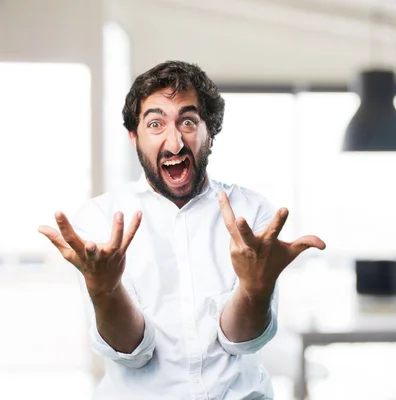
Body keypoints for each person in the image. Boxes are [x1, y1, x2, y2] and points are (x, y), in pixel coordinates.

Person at [38, 60, 326, 400]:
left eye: (188, 121)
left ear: (210, 132)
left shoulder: (251, 213)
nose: (174, 143)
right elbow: (132, 352)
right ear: (134, 137)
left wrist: (254, 289)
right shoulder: (100, 221)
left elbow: (241, 340)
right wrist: (105, 291)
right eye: (155, 124)